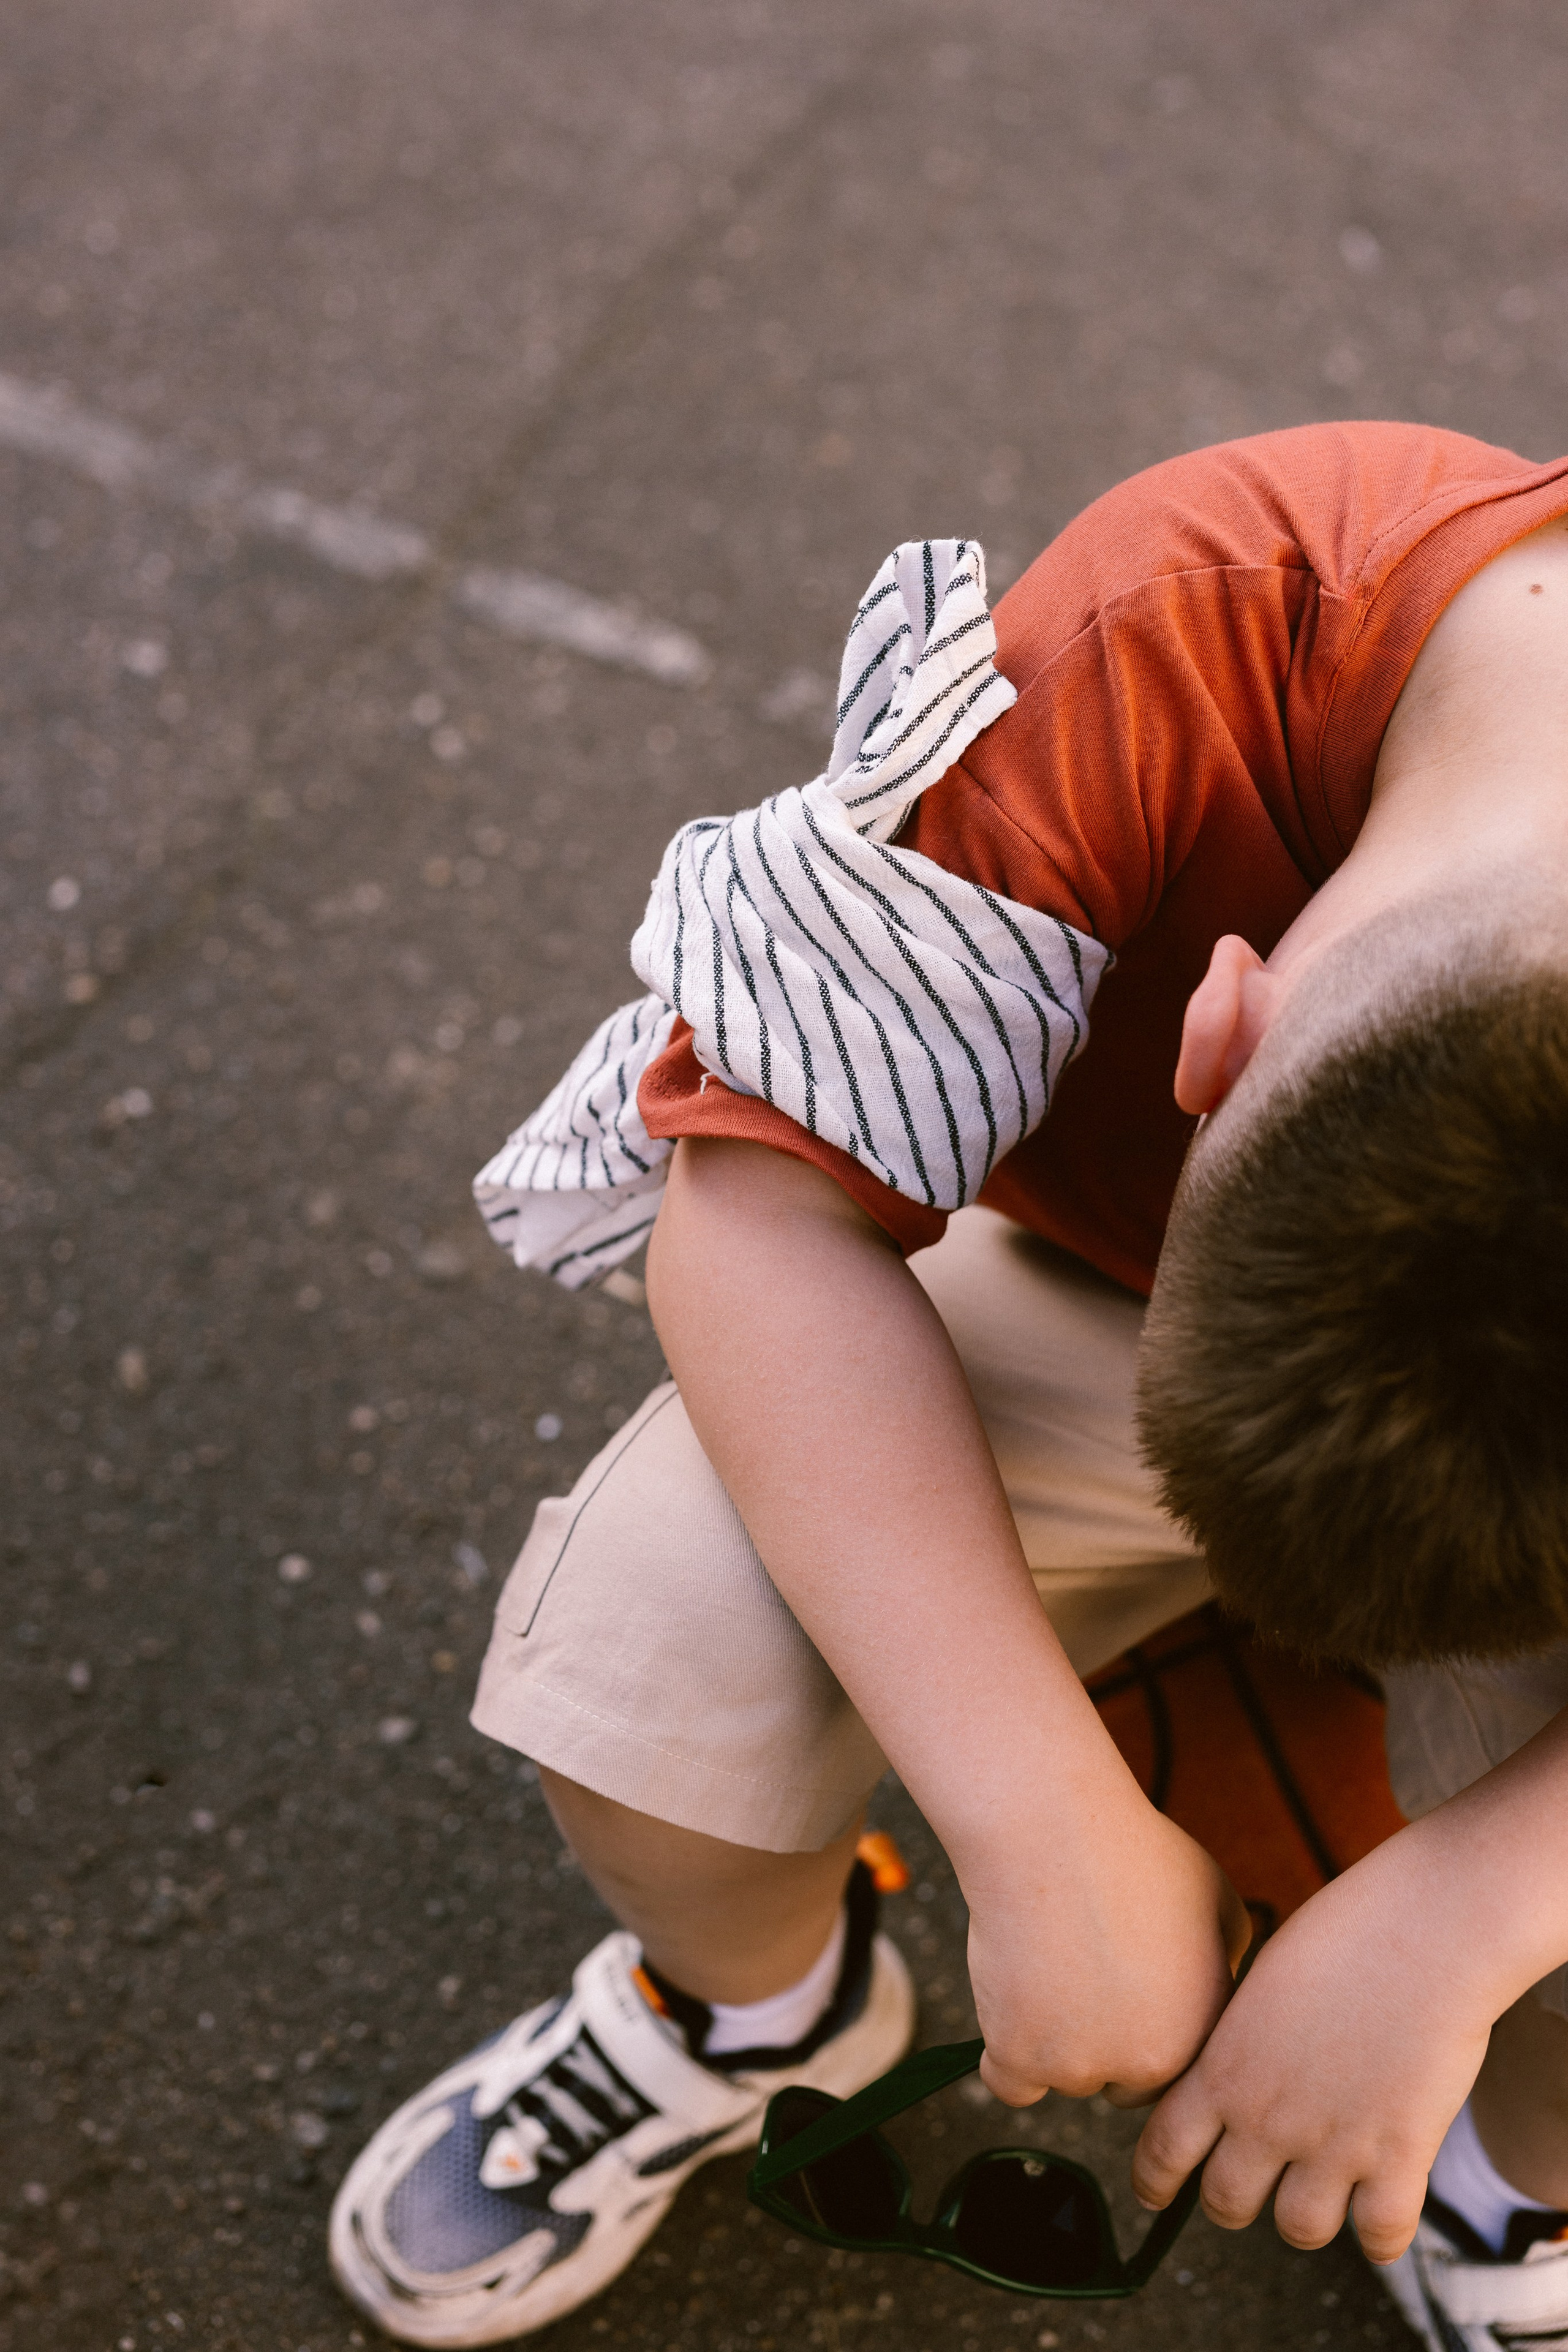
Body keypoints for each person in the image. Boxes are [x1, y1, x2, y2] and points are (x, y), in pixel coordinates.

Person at [330, 422, 1568, 2352]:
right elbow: (752, 1214)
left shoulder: (1263, 982)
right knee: (654, 1647)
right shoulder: (1184, 631)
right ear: (1214, 1032)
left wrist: (1476, 1910)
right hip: (1131, 1294)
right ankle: (756, 2003)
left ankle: (1516, 2171)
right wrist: (1031, 1813)